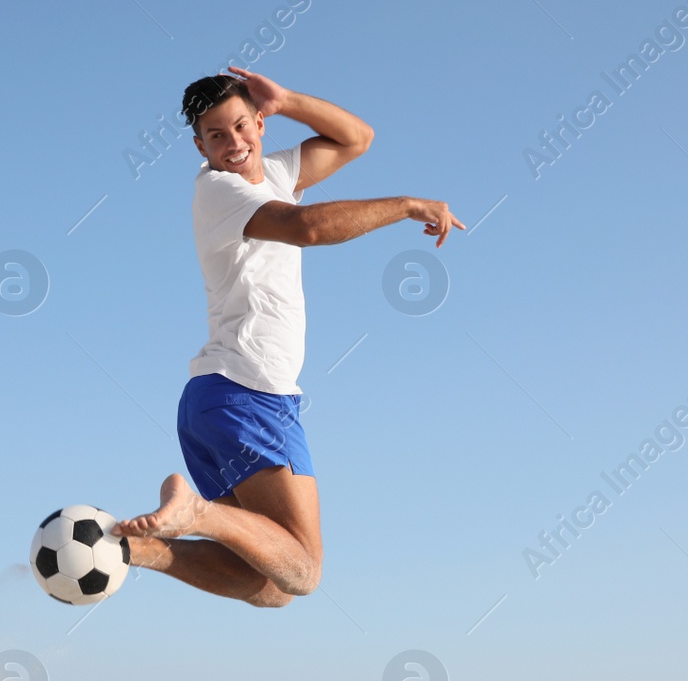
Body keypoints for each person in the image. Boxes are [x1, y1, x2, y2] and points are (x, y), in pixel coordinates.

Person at [112, 67, 464, 607]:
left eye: (240, 127)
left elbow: (357, 138)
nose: (233, 144)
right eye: (215, 135)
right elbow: (309, 229)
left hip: (219, 400)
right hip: (245, 392)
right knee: (303, 570)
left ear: (258, 121)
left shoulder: (275, 174)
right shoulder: (219, 191)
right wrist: (409, 205)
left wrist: (288, 99)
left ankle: (128, 552)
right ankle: (195, 513)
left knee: (271, 586)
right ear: (198, 145)